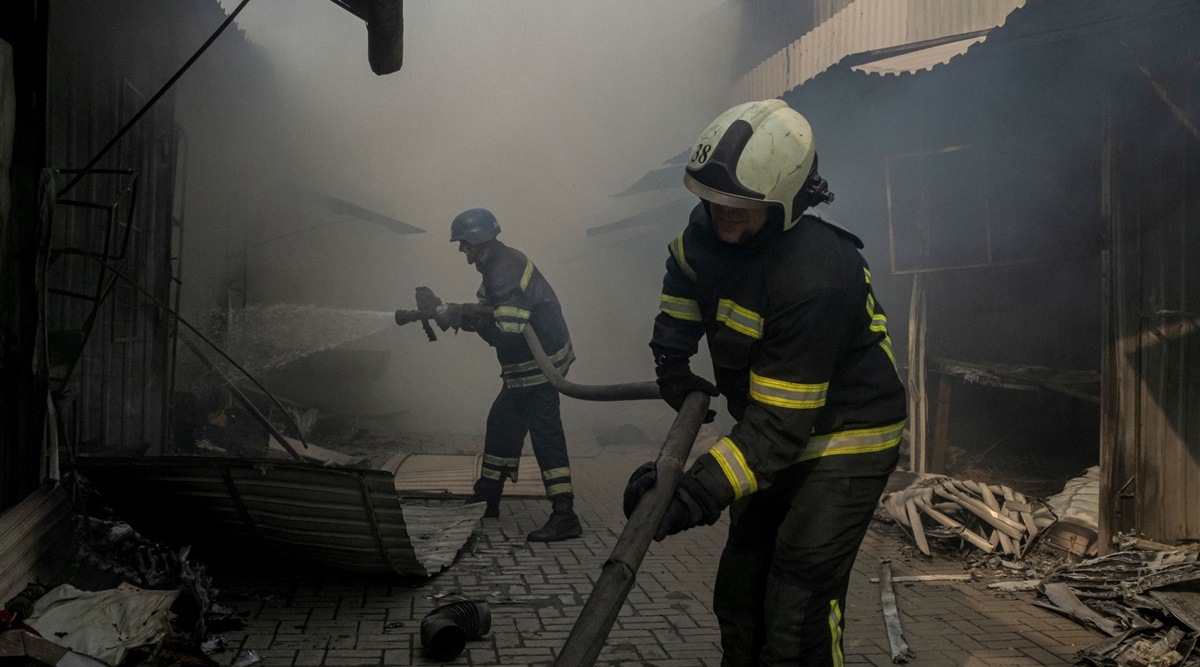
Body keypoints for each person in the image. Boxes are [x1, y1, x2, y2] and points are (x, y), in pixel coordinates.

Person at [623, 100, 907, 665]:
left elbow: (779, 429)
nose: (722, 214)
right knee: (740, 589)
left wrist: (692, 494)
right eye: (713, 200)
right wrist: (672, 366)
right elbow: (683, 276)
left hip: (845, 439)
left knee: (796, 602)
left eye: (741, 204)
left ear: (788, 199)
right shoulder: (704, 233)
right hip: (772, 429)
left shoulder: (815, 275)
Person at [440, 208, 582, 543]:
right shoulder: (495, 267)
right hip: (523, 368)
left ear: (478, 240)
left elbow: (507, 331)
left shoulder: (504, 269)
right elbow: (486, 310)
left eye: (464, 244)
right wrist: (457, 311)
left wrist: (462, 319)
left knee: (545, 435)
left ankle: (565, 515)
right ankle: (488, 496)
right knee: (502, 422)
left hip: (541, 365)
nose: (463, 252)